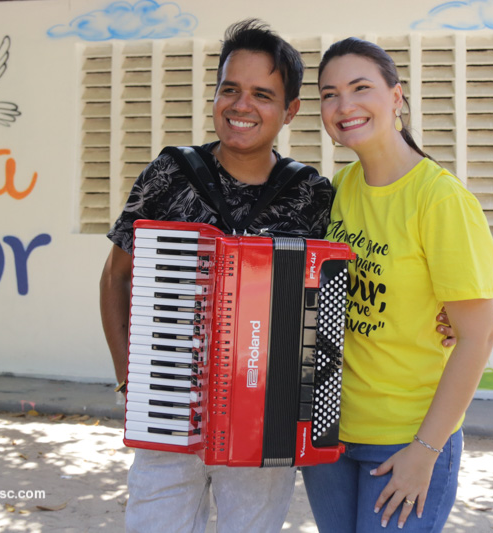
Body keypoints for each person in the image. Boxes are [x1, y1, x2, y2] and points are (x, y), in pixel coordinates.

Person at [99, 19, 332, 533]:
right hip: (166, 407)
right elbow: (117, 276)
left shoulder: (313, 194)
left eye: (262, 94)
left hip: (263, 420)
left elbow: (329, 300)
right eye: (231, 88)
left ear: (290, 111)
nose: (241, 105)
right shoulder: (169, 173)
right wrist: (130, 381)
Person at [301, 38, 493, 533]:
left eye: (360, 87)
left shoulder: (440, 200)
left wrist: (425, 451)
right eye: (329, 94)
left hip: (406, 439)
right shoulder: (340, 189)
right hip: (330, 432)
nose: (344, 106)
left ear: (396, 96)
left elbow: (477, 336)